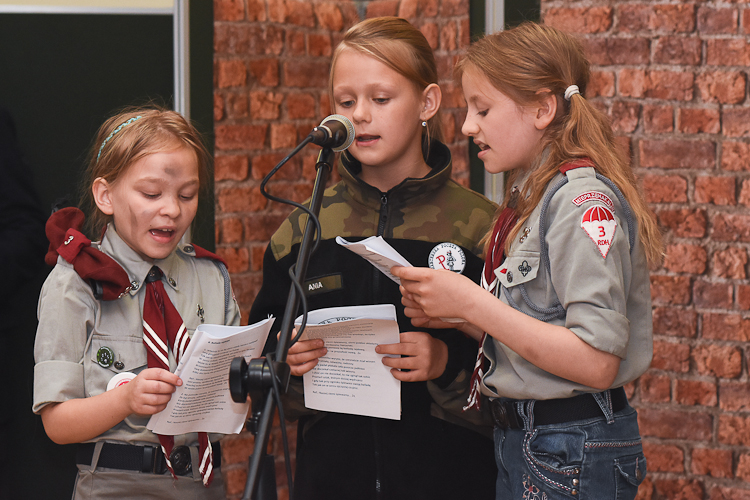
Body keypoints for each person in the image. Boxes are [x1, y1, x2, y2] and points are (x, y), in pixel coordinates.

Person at [393, 22, 663, 500]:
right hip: (532, 441)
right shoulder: (536, 199)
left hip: (568, 449)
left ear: (543, 108)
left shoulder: (580, 202)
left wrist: (475, 305)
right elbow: (538, 330)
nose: (468, 126)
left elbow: (597, 361)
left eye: (483, 108)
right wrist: (457, 316)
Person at [248, 16, 498, 500]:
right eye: (346, 102)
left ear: (427, 102)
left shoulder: (481, 227)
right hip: (329, 480)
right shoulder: (300, 230)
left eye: (380, 99)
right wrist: (288, 360)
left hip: (452, 478)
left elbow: (519, 370)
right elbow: (259, 381)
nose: (360, 114)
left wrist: (445, 363)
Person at [32, 106, 241, 500]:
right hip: (114, 486)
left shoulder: (212, 278)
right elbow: (57, 423)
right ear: (105, 195)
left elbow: (234, 391)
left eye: (188, 195)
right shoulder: (73, 284)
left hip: (203, 485)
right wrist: (125, 399)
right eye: (151, 193)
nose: (173, 209)